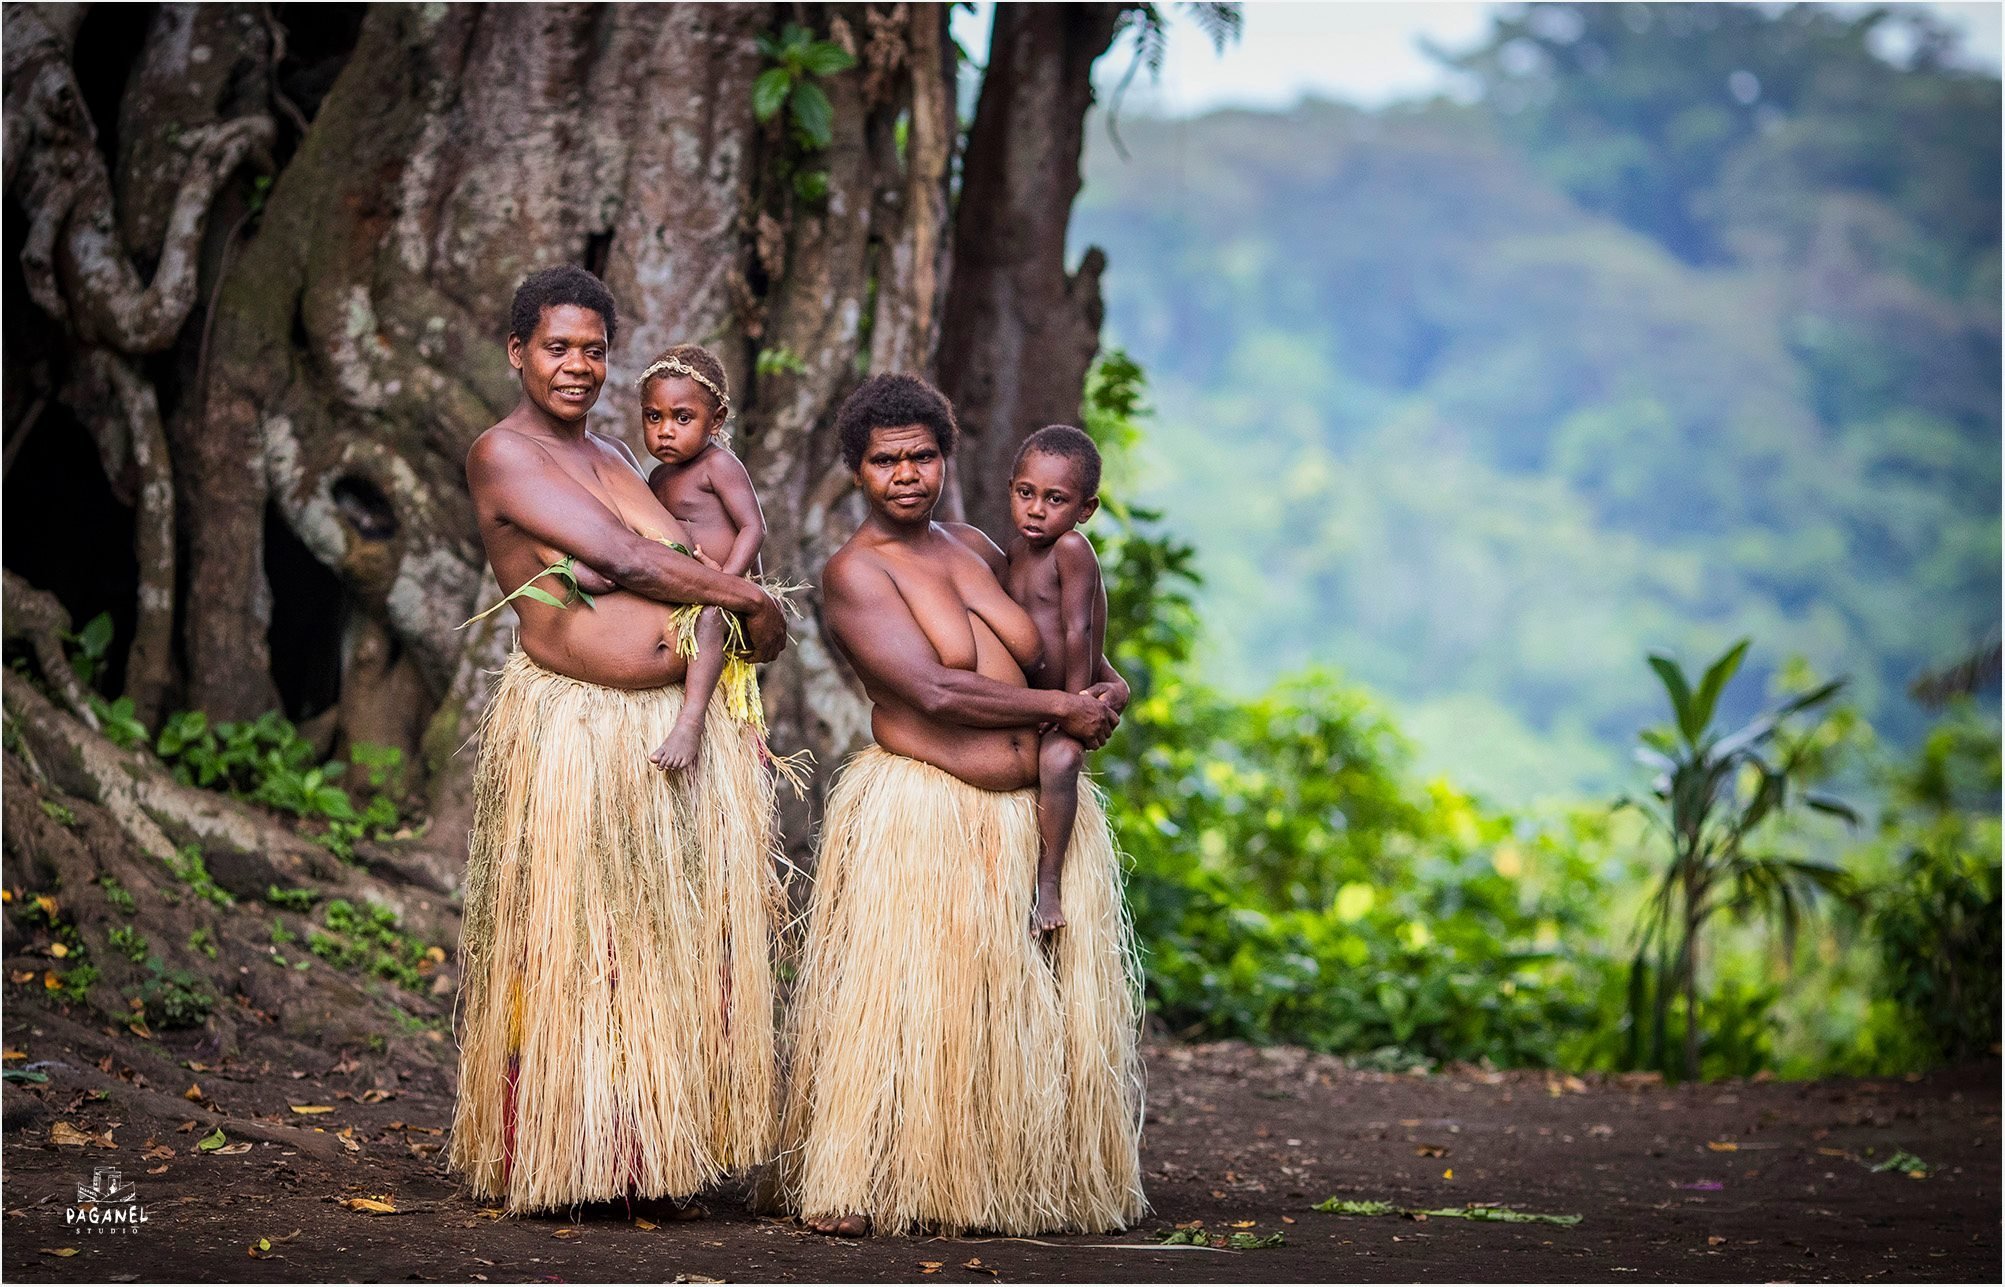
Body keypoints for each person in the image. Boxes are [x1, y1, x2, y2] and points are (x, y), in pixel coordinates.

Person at [448, 266, 790, 1216]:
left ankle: (653, 1157)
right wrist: (756, 601)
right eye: (557, 347)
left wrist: (737, 672)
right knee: (582, 947)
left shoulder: (618, 458)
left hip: (670, 730)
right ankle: (566, 1156)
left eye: (594, 350)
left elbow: (694, 563)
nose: (578, 366)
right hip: (581, 734)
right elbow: (625, 560)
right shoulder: (503, 453)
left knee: (664, 949)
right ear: (518, 351)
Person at [771, 374, 1145, 1237]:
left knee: (1003, 1013)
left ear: (946, 457)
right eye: (884, 461)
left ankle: (991, 1176)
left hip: (1025, 819)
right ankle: (858, 1177)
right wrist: (1061, 711)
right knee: (902, 1007)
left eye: (922, 455)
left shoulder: (980, 545)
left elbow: (1057, 659)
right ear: (856, 471)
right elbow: (936, 690)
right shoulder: (854, 572)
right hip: (927, 811)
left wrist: (1102, 692)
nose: (906, 474)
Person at [633, 343, 769, 774]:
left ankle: (690, 723)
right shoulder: (656, 477)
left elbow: (754, 527)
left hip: (723, 595)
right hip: (684, 592)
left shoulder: (720, 466)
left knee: (710, 618)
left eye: (682, 417)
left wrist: (728, 584)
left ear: (717, 420)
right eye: (654, 417)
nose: (665, 430)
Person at [1003, 425, 1116, 934]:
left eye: (1055, 499)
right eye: (1026, 494)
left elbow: (1080, 630)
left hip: (1069, 698)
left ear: (1084, 510)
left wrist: (1072, 708)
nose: (1036, 509)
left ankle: (1047, 883)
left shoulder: (1070, 548)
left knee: (1060, 759)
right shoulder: (1017, 550)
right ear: (1012, 489)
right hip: (1041, 700)